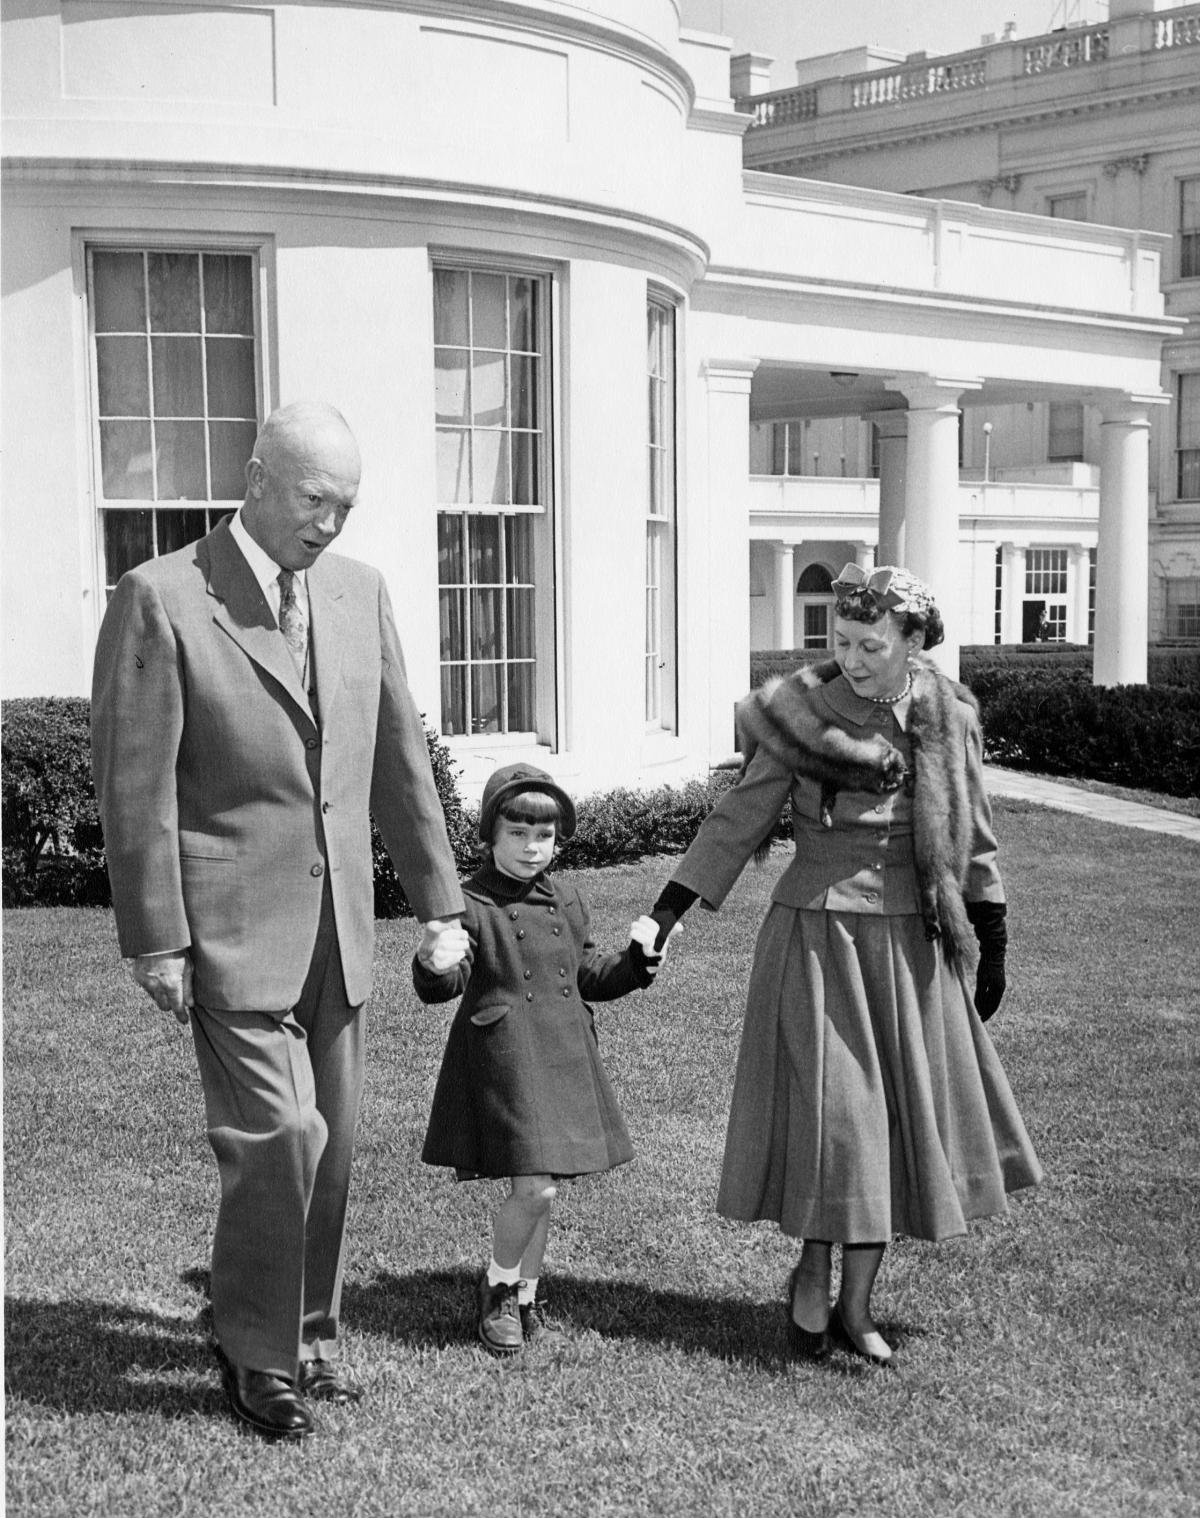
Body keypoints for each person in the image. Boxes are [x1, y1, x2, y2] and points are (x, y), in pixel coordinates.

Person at [91, 401, 468, 1438]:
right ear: (256, 478)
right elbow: (137, 787)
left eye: (345, 504)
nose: (330, 524)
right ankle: (256, 1355)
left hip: (337, 929)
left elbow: (399, 763)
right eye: (314, 498)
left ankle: (309, 1330)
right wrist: (156, 936)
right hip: (227, 928)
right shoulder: (162, 597)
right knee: (279, 1135)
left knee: (334, 1145)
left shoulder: (358, 593)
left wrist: (441, 904)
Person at [649, 563, 1042, 1367]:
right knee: (840, 1117)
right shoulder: (801, 716)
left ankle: (858, 1306)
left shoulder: (945, 716)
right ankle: (812, 1267)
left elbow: (973, 827)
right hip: (818, 934)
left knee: (894, 1120)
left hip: (912, 945)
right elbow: (739, 817)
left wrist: (990, 929)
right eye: (842, 641)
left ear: (914, 645)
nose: (854, 658)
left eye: (872, 644)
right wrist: (663, 913)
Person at [414, 762, 671, 1355]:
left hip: (563, 1049)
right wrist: (431, 961)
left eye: (545, 836)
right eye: (517, 834)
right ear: (489, 835)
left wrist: (636, 962)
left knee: (545, 1182)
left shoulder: (566, 896)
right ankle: (499, 1289)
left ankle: (526, 1295)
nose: (533, 849)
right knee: (537, 1188)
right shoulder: (468, 902)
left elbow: (585, 976)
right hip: (506, 1055)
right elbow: (446, 982)